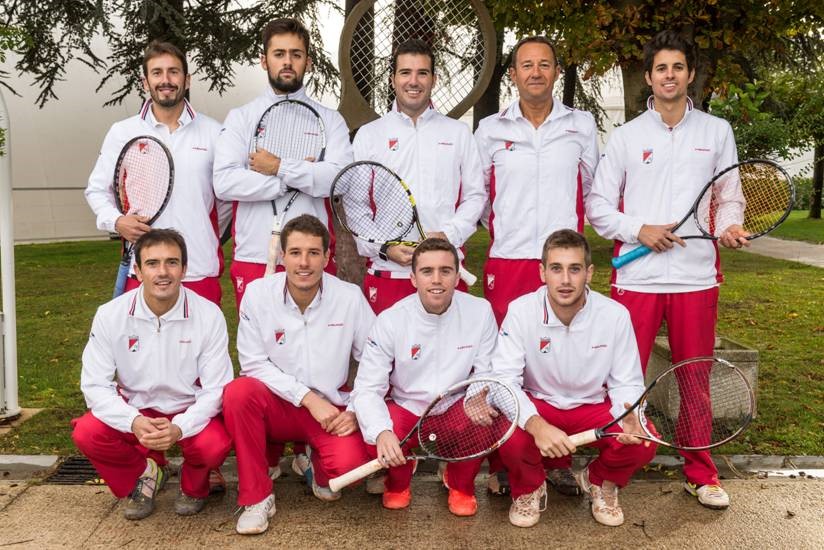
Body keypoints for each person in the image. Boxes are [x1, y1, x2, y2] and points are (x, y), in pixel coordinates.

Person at [586, 30, 745, 511]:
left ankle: (701, 473)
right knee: (622, 377)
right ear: (650, 76)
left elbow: (729, 196)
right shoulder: (627, 136)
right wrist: (640, 229)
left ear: (690, 74)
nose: (669, 76)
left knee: (694, 379)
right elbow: (597, 207)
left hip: (696, 278)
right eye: (661, 68)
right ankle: (610, 472)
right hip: (637, 280)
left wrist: (732, 226)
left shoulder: (716, 132)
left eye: (678, 67)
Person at [474, 34, 599, 497]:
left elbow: (588, 187)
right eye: (525, 65)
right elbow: (480, 198)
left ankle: (557, 459)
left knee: (556, 359)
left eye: (544, 64)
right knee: (505, 361)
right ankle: (502, 461)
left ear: (555, 72)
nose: (534, 72)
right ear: (513, 74)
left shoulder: (581, 125)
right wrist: (508, 230)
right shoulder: (489, 129)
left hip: (562, 261)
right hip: (508, 259)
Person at [222, 214, 375, 535]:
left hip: (328, 411)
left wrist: (356, 407)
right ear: (282, 256)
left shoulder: (349, 297)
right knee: (239, 392)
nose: (304, 263)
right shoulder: (257, 294)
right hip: (275, 406)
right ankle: (257, 496)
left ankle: (312, 460)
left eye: (313, 253)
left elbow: (376, 359)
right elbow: (252, 363)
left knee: (344, 473)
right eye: (295, 253)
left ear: (327, 257)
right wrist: (305, 397)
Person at [491, 229, 656, 528]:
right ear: (542, 272)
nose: (565, 280)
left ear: (589, 273)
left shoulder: (615, 315)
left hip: (591, 406)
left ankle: (601, 480)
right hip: (540, 403)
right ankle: (528, 487)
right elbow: (502, 381)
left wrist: (630, 413)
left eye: (575, 269)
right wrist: (535, 425)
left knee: (643, 439)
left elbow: (627, 382)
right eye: (556, 268)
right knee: (509, 432)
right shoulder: (520, 311)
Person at [71, 229, 234, 520]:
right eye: (152, 263)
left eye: (172, 262)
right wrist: (133, 421)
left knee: (214, 445)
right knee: (87, 432)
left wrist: (181, 427)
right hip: (137, 409)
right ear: (137, 269)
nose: (163, 272)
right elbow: (95, 385)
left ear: (185, 269)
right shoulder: (110, 315)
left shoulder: (208, 314)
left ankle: (194, 486)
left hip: (187, 407)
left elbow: (217, 389)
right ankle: (144, 476)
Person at [350, 238, 498, 516]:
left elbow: (487, 370)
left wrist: (478, 395)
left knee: (485, 416)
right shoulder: (391, 320)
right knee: (377, 429)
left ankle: (460, 483)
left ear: (457, 275)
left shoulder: (480, 312)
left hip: (455, 406)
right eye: (427, 271)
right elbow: (368, 388)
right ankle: (397, 481)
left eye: (445, 270)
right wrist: (382, 432)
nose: (437, 279)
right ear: (413, 278)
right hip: (408, 408)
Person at [213, 17, 353, 308]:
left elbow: (341, 180)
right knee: (258, 350)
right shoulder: (241, 117)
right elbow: (225, 182)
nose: (287, 62)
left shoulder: (330, 120)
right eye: (279, 54)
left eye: (296, 54)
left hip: (312, 256)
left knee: (315, 347)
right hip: (253, 255)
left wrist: (278, 167)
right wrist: (296, 178)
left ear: (308, 61)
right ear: (264, 61)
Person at [85, 41, 229, 305]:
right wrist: (117, 222)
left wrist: (202, 233)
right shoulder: (123, 132)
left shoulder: (215, 132)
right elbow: (96, 189)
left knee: (199, 346)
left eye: (174, 72)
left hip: (199, 268)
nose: (166, 80)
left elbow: (227, 201)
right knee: (140, 346)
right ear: (145, 82)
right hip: (143, 269)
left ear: (187, 80)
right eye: (157, 72)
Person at [351, 39, 485, 314]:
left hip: (444, 273)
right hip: (389, 273)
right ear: (392, 79)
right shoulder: (370, 135)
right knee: (386, 357)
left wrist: (448, 235)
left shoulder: (458, 133)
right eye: (405, 73)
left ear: (433, 79)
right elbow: (356, 206)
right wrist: (386, 248)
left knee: (450, 356)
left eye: (422, 73)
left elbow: (475, 196)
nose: (414, 81)